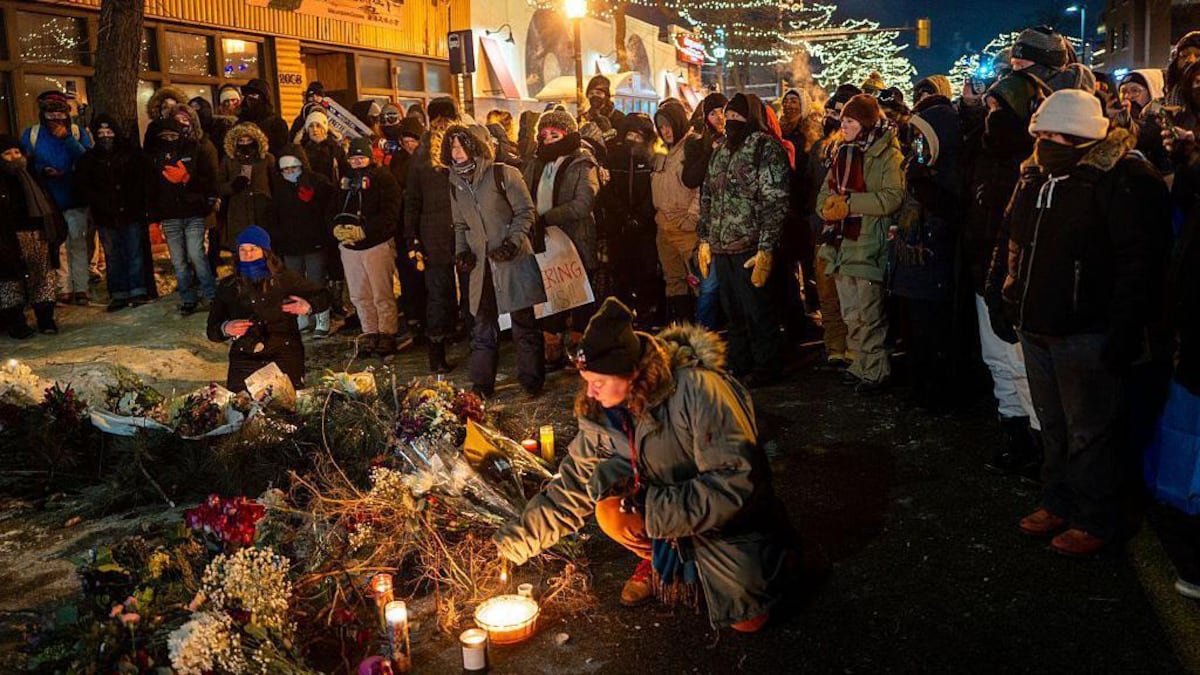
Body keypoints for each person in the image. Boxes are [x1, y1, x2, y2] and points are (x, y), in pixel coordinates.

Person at [494, 297, 792, 632]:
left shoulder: (698, 390)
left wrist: (653, 513)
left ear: (631, 371)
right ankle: (661, 561)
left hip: (729, 517)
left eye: (599, 381)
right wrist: (513, 544)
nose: (590, 393)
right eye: (586, 380)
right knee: (607, 505)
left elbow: (734, 484)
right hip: (666, 509)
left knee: (749, 620)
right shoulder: (605, 413)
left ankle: (770, 557)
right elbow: (573, 485)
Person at [990, 90, 1171, 556]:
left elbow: (1140, 263)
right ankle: (1059, 500)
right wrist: (1001, 293)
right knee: (1052, 422)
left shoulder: (1120, 178)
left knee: (1090, 428)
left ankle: (1097, 516)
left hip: (1086, 330)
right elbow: (1011, 238)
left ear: (1082, 135)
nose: (1045, 142)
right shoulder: (1033, 175)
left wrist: (1124, 330)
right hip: (1036, 323)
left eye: (1055, 135)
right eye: (1041, 133)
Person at [963, 70, 1048, 474]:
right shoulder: (983, 153)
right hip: (985, 271)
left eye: (999, 107)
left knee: (1021, 366)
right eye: (989, 107)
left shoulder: (1032, 161)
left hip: (1016, 281)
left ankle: (1039, 443)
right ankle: (1014, 433)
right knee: (996, 359)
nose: (991, 115)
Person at [444, 125, 546, 397]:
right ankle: (482, 385)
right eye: (451, 146)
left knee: (523, 324)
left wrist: (512, 243)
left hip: (513, 261)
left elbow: (526, 212)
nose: (455, 152)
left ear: (474, 145)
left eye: (460, 145)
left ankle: (531, 380)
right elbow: (459, 224)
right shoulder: (455, 184)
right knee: (482, 325)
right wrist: (462, 251)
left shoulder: (504, 174)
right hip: (482, 266)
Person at [698, 93, 790, 386]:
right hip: (722, 246)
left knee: (757, 310)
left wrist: (766, 247)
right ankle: (740, 363)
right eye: (729, 117)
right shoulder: (721, 150)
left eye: (738, 117)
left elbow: (774, 200)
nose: (732, 122)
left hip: (750, 245)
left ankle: (767, 366)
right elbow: (708, 195)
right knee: (732, 311)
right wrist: (704, 238)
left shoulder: (765, 148)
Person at [815, 94, 905, 393]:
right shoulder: (842, 153)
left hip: (868, 242)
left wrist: (851, 204)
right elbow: (824, 194)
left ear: (865, 123)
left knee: (870, 314)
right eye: (843, 121)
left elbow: (893, 197)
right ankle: (859, 363)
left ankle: (876, 370)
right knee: (850, 312)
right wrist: (828, 207)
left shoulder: (887, 155)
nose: (844, 126)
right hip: (841, 243)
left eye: (850, 121)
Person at [890, 99, 963, 412]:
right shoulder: (916, 167)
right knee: (913, 333)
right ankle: (918, 387)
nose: (916, 143)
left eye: (923, 136)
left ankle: (937, 393)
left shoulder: (949, 173)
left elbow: (948, 216)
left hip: (932, 268)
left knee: (933, 334)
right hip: (910, 267)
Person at [522, 108, 601, 367]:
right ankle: (552, 346)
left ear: (567, 134)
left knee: (579, 298)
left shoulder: (583, 163)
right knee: (550, 294)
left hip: (576, 240)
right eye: (543, 135)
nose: (547, 140)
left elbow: (583, 203)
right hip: (544, 242)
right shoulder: (536, 163)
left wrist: (548, 217)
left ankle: (580, 349)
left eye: (554, 134)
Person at [207, 226, 331, 392]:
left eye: (253, 249)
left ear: (265, 251)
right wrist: (225, 328)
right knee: (240, 407)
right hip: (245, 353)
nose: (248, 254)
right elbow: (212, 329)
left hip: (284, 350)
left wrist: (309, 307)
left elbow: (323, 296)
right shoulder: (229, 285)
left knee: (285, 403)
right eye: (242, 249)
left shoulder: (285, 279)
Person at [404, 96, 461, 372]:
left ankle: (438, 352)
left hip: (433, 234)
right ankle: (463, 342)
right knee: (465, 290)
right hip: (458, 231)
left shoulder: (420, 153)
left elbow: (412, 200)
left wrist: (412, 237)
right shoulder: (461, 146)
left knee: (439, 292)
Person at [20, 90, 92, 305]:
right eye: (51, 113)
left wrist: (67, 139)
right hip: (47, 198)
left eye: (60, 113)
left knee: (78, 242)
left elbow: (87, 159)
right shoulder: (31, 134)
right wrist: (43, 170)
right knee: (57, 245)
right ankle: (63, 287)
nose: (56, 118)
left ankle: (81, 287)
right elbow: (26, 164)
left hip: (75, 195)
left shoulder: (78, 132)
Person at [333, 137, 402, 356]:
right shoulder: (343, 181)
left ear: (370, 158)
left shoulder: (383, 178)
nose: (357, 162)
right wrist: (335, 228)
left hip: (376, 244)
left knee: (381, 292)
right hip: (350, 247)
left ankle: (387, 333)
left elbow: (391, 212)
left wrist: (367, 230)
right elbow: (331, 208)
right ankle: (370, 332)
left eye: (361, 158)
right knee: (359, 295)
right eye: (353, 159)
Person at [74, 115, 149, 312]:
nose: (106, 137)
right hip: (105, 215)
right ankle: (118, 293)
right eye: (101, 133)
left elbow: (141, 182)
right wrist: (99, 203)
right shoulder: (90, 159)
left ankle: (138, 290)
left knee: (134, 252)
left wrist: (135, 202)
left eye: (109, 132)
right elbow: (85, 186)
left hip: (130, 211)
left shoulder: (131, 155)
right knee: (113, 255)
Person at [146, 117, 218, 316]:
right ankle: (188, 297)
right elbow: (150, 190)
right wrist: (153, 220)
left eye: (173, 135)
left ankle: (211, 294)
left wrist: (187, 179)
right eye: (165, 136)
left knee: (196, 254)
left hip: (193, 211)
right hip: (169, 215)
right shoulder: (154, 157)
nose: (169, 139)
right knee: (178, 260)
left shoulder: (194, 150)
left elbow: (208, 178)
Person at [808, 85, 859, 367]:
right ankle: (835, 346)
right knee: (827, 295)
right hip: (822, 231)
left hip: (849, 233)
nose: (832, 117)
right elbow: (811, 189)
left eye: (838, 112)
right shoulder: (819, 148)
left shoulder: (856, 148)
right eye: (829, 112)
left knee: (850, 296)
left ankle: (854, 346)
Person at [265, 144, 336, 338]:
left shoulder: (317, 182)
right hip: (290, 245)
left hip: (314, 242)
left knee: (315, 281)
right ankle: (301, 317)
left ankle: (322, 317)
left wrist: (314, 200)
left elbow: (329, 208)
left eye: (293, 168)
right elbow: (274, 217)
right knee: (293, 282)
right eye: (285, 169)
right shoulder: (279, 188)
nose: (289, 173)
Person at [0, 136, 62, 337]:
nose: (14, 157)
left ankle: (45, 319)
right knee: (10, 280)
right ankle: (17, 322)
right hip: (9, 237)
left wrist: (58, 228)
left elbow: (48, 203)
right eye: (7, 154)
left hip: (38, 233)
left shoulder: (32, 176)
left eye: (17, 152)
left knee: (42, 277)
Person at [651, 98, 704, 325]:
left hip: (685, 226)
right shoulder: (661, 153)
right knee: (673, 279)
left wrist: (692, 218)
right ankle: (683, 327)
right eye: (661, 127)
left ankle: (704, 328)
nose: (665, 131)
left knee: (697, 280)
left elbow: (702, 187)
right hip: (664, 226)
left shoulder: (692, 146)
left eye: (668, 126)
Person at [605, 113, 661, 324]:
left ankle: (646, 318)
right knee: (621, 277)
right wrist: (624, 216)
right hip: (619, 229)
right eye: (630, 134)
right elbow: (608, 191)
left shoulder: (652, 159)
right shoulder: (613, 158)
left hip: (645, 229)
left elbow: (653, 192)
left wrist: (640, 218)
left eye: (638, 136)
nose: (633, 140)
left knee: (646, 275)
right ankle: (622, 320)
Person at [681, 92, 728, 330]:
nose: (719, 117)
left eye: (722, 111)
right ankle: (703, 334)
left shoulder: (742, 141)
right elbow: (690, 178)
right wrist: (709, 150)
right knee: (709, 285)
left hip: (735, 225)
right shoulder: (698, 143)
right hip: (708, 224)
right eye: (713, 113)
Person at [218, 122, 274, 251]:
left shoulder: (266, 159)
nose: (245, 143)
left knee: (264, 249)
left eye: (248, 139)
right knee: (241, 249)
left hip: (262, 211)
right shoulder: (229, 160)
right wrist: (232, 186)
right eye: (241, 140)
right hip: (238, 213)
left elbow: (274, 185)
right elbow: (219, 186)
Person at [238, 78, 289, 156]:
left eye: (254, 95)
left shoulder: (277, 123)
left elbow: (283, 151)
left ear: (263, 97)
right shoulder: (240, 123)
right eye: (248, 95)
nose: (250, 98)